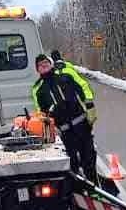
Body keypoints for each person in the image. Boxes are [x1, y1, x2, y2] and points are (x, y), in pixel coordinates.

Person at [30, 52, 98, 185]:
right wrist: (49, 128)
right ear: (37, 69)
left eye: (46, 64)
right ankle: (78, 190)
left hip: (81, 123)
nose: (44, 67)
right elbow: (41, 112)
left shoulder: (65, 75)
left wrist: (89, 106)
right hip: (64, 131)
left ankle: (94, 187)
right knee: (71, 163)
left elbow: (83, 87)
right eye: (41, 66)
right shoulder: (38, 89)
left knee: (88, 158)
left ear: (51, 64)